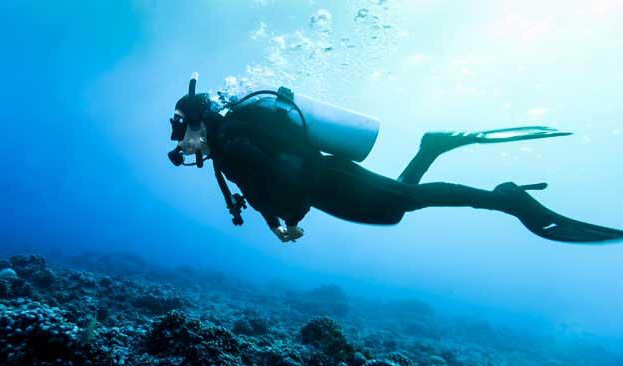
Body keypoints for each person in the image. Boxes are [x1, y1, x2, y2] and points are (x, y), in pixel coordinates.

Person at [167, 76, 623, 243]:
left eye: (180, 133)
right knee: (395, 211)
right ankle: (431, 146)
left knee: (406, 200)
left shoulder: (230, 141)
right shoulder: (227, 145)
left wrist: (289, 215)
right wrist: (278, 223)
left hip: (329, 181)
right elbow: (259, 187)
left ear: (195, 123)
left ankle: (504, 199)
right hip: (329, 184)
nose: (183, 147)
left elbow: (273, 176)